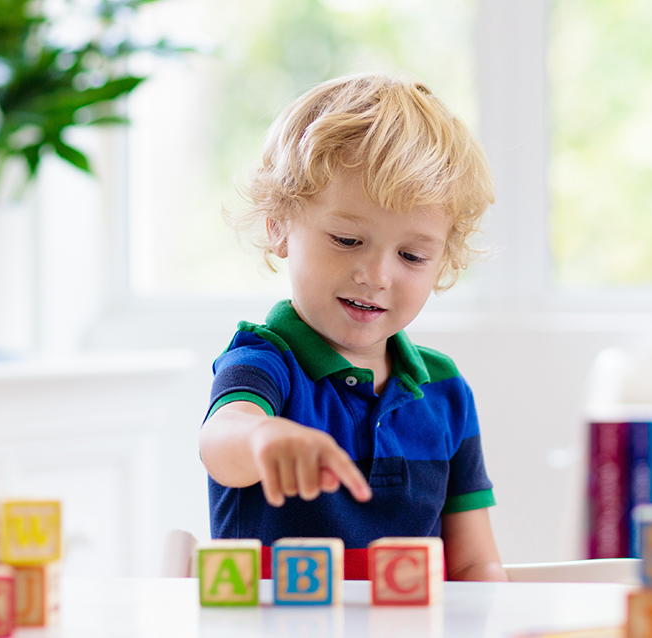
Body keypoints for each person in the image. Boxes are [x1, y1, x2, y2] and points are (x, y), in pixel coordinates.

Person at [199, 74, 506, 582]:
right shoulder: (265, 360)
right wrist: (264, 439)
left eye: (412, 255)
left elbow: (475, 562)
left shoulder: (445, 390)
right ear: (279, 224)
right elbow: (221, 441)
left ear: (443, 262)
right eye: (346, 239)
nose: (376, 275)